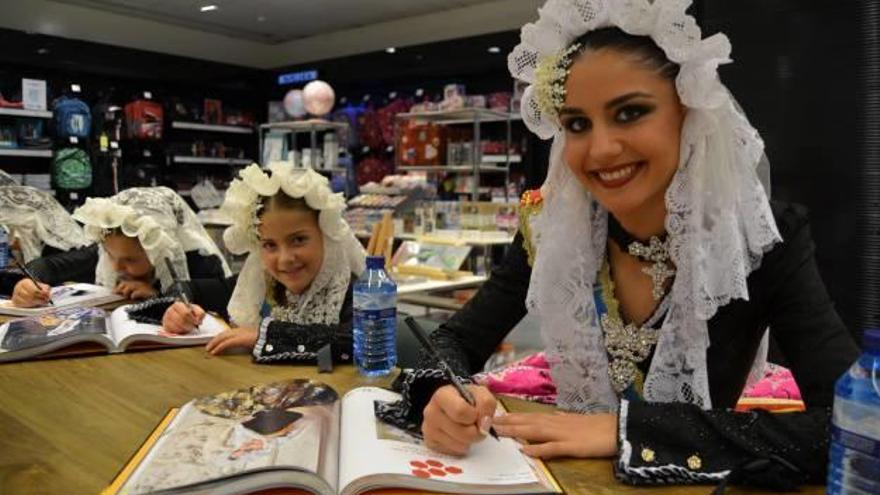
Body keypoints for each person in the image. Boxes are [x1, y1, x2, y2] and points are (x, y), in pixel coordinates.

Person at [381, 0, 860, 490]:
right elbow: (451, 340)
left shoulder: (755, 238)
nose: (601, 148)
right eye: (577, 124)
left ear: (689, 112)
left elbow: (857, 425)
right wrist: (441, 394)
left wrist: (627, 431)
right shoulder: (555, 228)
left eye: (630, 113)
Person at [159, 163, 365, 364]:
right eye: (270, 245)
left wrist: (265, 336)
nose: (285, 259)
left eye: (299, 240)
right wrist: (179, 308)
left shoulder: (353, 291)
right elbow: (189, 289)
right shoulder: (259, 281)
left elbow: (355, 340)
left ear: (326, 235)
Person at [9, 186, 231, 307]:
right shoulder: (108, 255)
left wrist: (159, 297)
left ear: (159, 249)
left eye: (131, 260)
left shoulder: (202, 263)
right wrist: (29, 282)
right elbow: (48, 267)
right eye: (109, 254)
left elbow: (216, 306)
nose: (116, 267)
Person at [0, 185, 94, 301]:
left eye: (9, 230)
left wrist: (21, 281)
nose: (10, 242)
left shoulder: (76, 247)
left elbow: (42, 268)